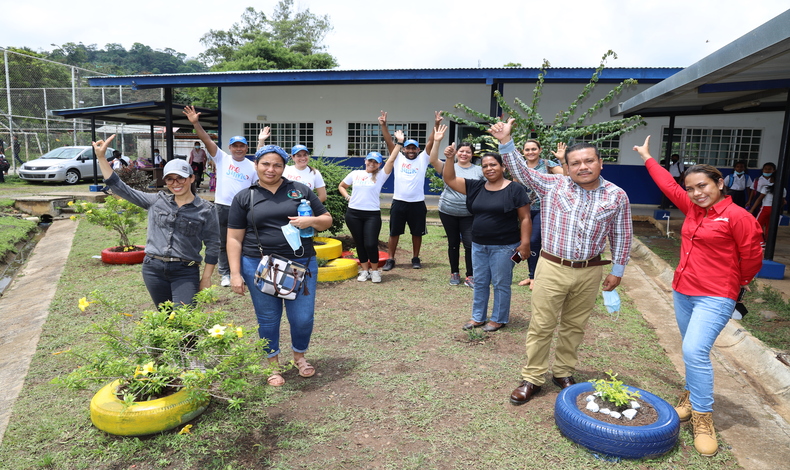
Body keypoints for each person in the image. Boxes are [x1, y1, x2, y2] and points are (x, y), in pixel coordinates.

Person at [634, 135, 763, 457]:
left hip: (716, 296)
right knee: (691, 350)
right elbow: (668, 186)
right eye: (691, 188)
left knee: (694, 350)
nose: (696, 193)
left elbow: (751, 258)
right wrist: (648, 157)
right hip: (683, 290)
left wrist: (738, 284)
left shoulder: (739, 218)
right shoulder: (692, 208)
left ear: (720, 183)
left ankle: (703, 418)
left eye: (703, 186)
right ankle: (690, 398)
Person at [488, 118, 632, 405]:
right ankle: (532, 378)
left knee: (574, 325)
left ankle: (563, 372)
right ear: (567, 167)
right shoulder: (554, 185)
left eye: (589, 161)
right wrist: (506, 142)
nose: (583, 167)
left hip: (589, 270)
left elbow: (622, 235)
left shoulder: (617, 196)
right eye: (575, 163)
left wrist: (617, 271)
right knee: (541, 325)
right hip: (552, 267)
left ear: (600, 163)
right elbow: (520, 171)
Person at [226, 144, 332, 387]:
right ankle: (272, 364)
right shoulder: (245, 197)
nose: (270, 169)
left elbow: (327, 220)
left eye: (277, 165)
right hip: (258, 264)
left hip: (301, 264)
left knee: (303, 318)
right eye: (265, 164)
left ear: (284, 167)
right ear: (256, 165)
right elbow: (233, 238)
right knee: (268, 319)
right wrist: (234, 273)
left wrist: (312, 221)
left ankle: (299, 357)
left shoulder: (300, 190)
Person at [92, 134, 220, 307]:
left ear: (191, 178)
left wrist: (206, 278)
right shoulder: (156, 201)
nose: (176, 183)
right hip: (153, 270)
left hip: (185, 271)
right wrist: (101, 157)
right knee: (165, 319)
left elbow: (213, 245)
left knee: (185, 320)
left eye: (181, 177)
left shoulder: (206, 209)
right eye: (170, 179)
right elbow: (120, 188)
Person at [438, 125, 531, 332]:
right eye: (485, 166)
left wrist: (525, 244)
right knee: (480, 282)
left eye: (493, 165)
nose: (489, 168)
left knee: (500, 283)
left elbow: (525, 218)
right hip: (479, 244)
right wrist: (450, 159)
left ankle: (498, 318)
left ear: (503, 167)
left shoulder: (515, 189)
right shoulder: (476, 186)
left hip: (505, 247)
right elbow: (450, 179)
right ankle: (477, 317)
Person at [184, 105, 259, 287]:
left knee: (244, 241)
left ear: (246, 148)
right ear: (230, 147)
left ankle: (240, 272)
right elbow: (206, 139)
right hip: (223, 207)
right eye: (235, 146)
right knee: (222, 242)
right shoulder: (222, 158)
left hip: (244, 208)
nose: (238, 149)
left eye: (242, 146)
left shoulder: (252, 166)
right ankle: (225, 273)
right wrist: (196, 123)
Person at [378, 110, 443, 270]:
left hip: (417, 203)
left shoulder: (423, 158)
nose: (411, 151)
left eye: (414, 148)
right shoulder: (398, 157)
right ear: (404, 150)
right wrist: (384, 125)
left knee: (417, 232)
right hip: (399, 202)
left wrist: (436, 124)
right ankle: (391, 259)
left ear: (418, 150)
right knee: (394, 232)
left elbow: (430, 141)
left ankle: (415, 257)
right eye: (408, 148)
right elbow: (388, 142)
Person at [516, 139, 566, 289]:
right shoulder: (520, 167)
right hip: (523, 210)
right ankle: (532, 276)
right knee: (526, 242)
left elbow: (567, 176)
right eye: (527, 150)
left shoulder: (547, 164)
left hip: (543, 210)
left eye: (533, 149)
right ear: (523, 152)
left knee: (533, 240)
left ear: (540, 150)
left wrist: (563, 160)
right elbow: (515, 187)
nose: (530, 152)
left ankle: (536, 277)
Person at [338, 150, 394, 283]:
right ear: (365, 161)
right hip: (353, 214)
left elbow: (391, 160)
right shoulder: (355, 174)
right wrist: (347, 197)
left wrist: (398, 143)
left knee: (371, 243)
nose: (372, 163)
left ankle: (375, 271)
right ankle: (364, 270)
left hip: (372, 215)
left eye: (375, 162)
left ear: (380, 164)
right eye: (370, 160)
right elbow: (342, 186)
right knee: (360, 243)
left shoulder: (381, 175)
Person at [438, 142, 483, 287]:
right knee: (453, 243)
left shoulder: (479, 170)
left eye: (468, 152)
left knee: (470, 244)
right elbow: (432, 159)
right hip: (447, 211)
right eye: (462, 151)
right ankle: (454, 272)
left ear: (472, 154)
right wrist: (439, 141)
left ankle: (470, 275)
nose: (464, 154)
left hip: (469, 213)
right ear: (457, 152)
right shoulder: (449, 166)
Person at [750, 173, 786, 239]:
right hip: (775, 209)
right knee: (770, 226)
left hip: (765, 208)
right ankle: (767, 240)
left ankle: (758, 239)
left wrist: (752, 209)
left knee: (757, 224)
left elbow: (759, 199)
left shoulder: (766, 187)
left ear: (771, 179)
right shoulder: (782, 189)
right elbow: (783, 202)